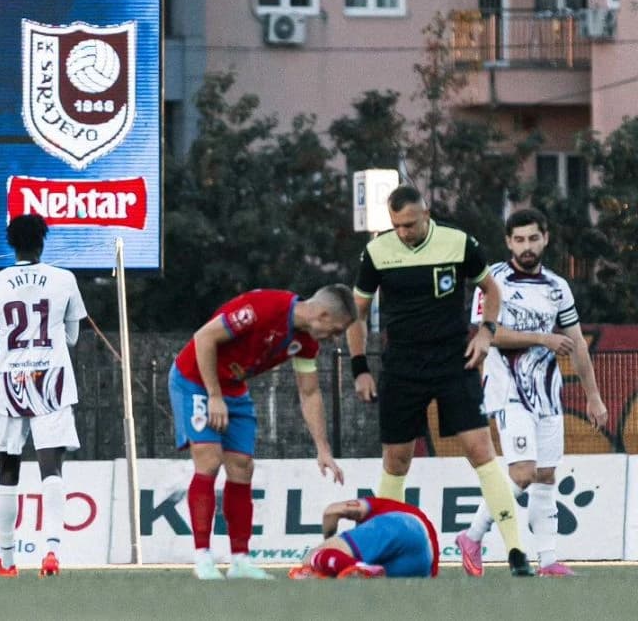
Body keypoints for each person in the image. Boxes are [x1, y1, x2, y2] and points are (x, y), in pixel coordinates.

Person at [347, 184, 534, 576]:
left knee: (480, 451)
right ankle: (382, 553)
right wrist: (360, 367)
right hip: (402, 366)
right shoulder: (377, 252)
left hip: (453, 362)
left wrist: (486, 332)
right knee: (396, 460)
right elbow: (356, 313)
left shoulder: (459, 243)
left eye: (410, 224)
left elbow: (491, 290)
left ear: (426, 214)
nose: (404, 232)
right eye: (397, 225)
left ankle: (517, 552)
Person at [457, 208, 607, 578]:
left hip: (547, 393)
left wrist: (594, 396)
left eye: (533, 238)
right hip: (508, 390)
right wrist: (541, 337)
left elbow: (577, 344)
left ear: (545, 239)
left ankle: (548, 559)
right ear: (508, 242)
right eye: (519, 240)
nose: (526, 246)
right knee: (522, 472)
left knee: (545, 475)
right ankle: (472, 536)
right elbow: (486, 334)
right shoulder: (493, 282)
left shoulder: (558, 287)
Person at [169, 285, 355, 581]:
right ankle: (203, 558)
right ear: (321, 315)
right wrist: (214, 396)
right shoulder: (265, 308)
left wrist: (323, 448)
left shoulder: (306, 343)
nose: (334, 339)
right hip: (195, 379)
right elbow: (204, 337)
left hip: (233, 387)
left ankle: (240, 561)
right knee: (209, 459)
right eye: (335, 331)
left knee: (243, 467)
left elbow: (309, 393)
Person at [0, 215, 87, 578]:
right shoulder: (64, 279)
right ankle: (51, 553)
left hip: (9, 380)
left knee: (7, 469)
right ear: (42, 242)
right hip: (52, 378)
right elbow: (71, 337)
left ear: (12, 244)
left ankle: (7, 561)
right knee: (51, 468)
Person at [288, 496, 439, 579]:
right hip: (422, 564)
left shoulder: (378, 505)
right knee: (369, 574)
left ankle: (353, 566)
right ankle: (355, 567)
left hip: (404, 525)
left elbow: (332, 511)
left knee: (312, 556)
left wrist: (328, 543)